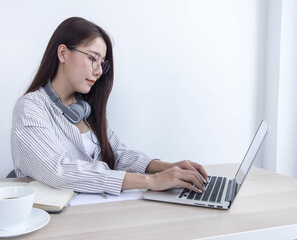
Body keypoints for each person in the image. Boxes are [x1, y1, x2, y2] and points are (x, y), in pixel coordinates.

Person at [11, 17, 208, 196]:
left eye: (102, 64)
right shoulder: (30, 108)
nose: (98, 72)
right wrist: (152, 181)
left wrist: (166, 167)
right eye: (92, 58)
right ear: (63, 53)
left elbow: (117, 154)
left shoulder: (85, 108)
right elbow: (58, 171)